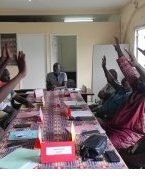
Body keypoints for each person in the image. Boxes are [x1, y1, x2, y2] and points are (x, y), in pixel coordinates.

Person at [100, 37, 145, 150]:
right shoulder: (137, 87)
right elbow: (128, 71)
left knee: (105, 145)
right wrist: (119, 51)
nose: (138, 79)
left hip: (130, 133)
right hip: (115, 125)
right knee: (93, 128)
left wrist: (138, 66)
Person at [0, 44, 26, 131]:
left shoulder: (5, 87)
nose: (9, 77)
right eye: (6, 75)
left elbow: (13, 109)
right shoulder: (2, 87)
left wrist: (5, 59)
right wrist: (21, 74)